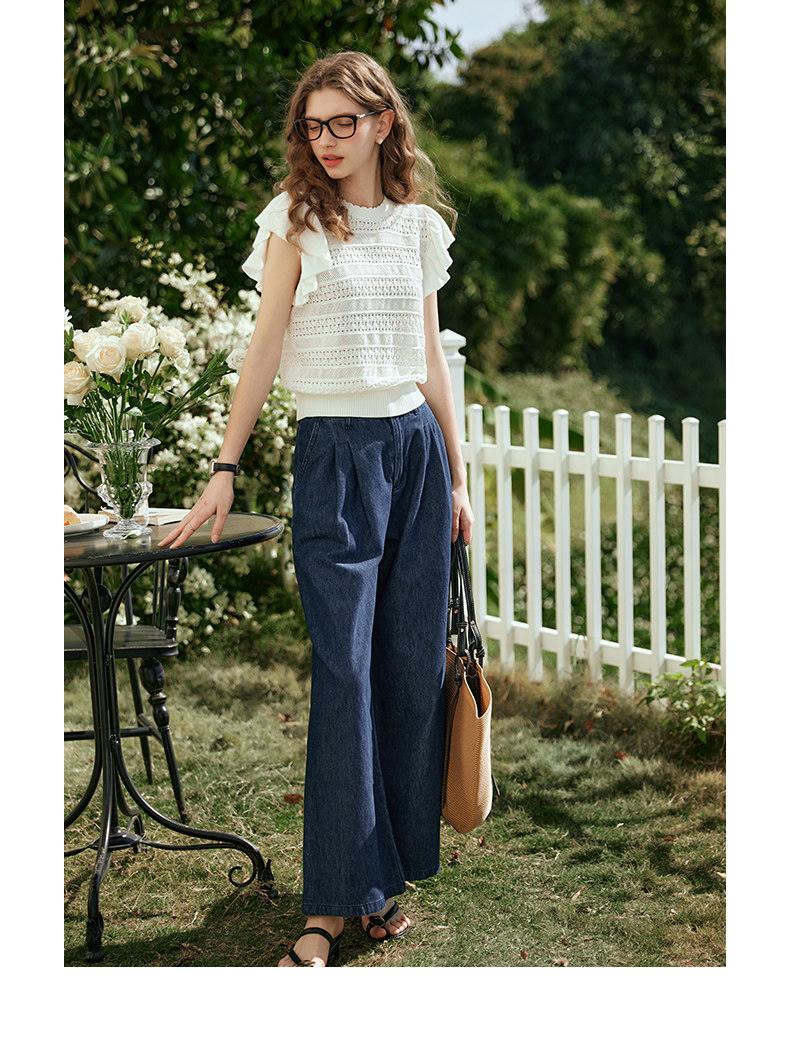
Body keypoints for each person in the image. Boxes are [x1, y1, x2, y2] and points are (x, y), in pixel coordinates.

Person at [161, 50, 473, 967]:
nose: (327, 140)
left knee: (409, 667)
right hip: (336, 455)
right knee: (343, 672)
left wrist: (458, 478)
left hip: (415, 453)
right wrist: (224, 465)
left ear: (383, 123)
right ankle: (332, 902)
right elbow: (264, 345)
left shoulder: (417, 228)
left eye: (344, 122)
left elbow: (431, 358)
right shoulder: (294, 221)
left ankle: (384, 881)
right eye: (314, 124)